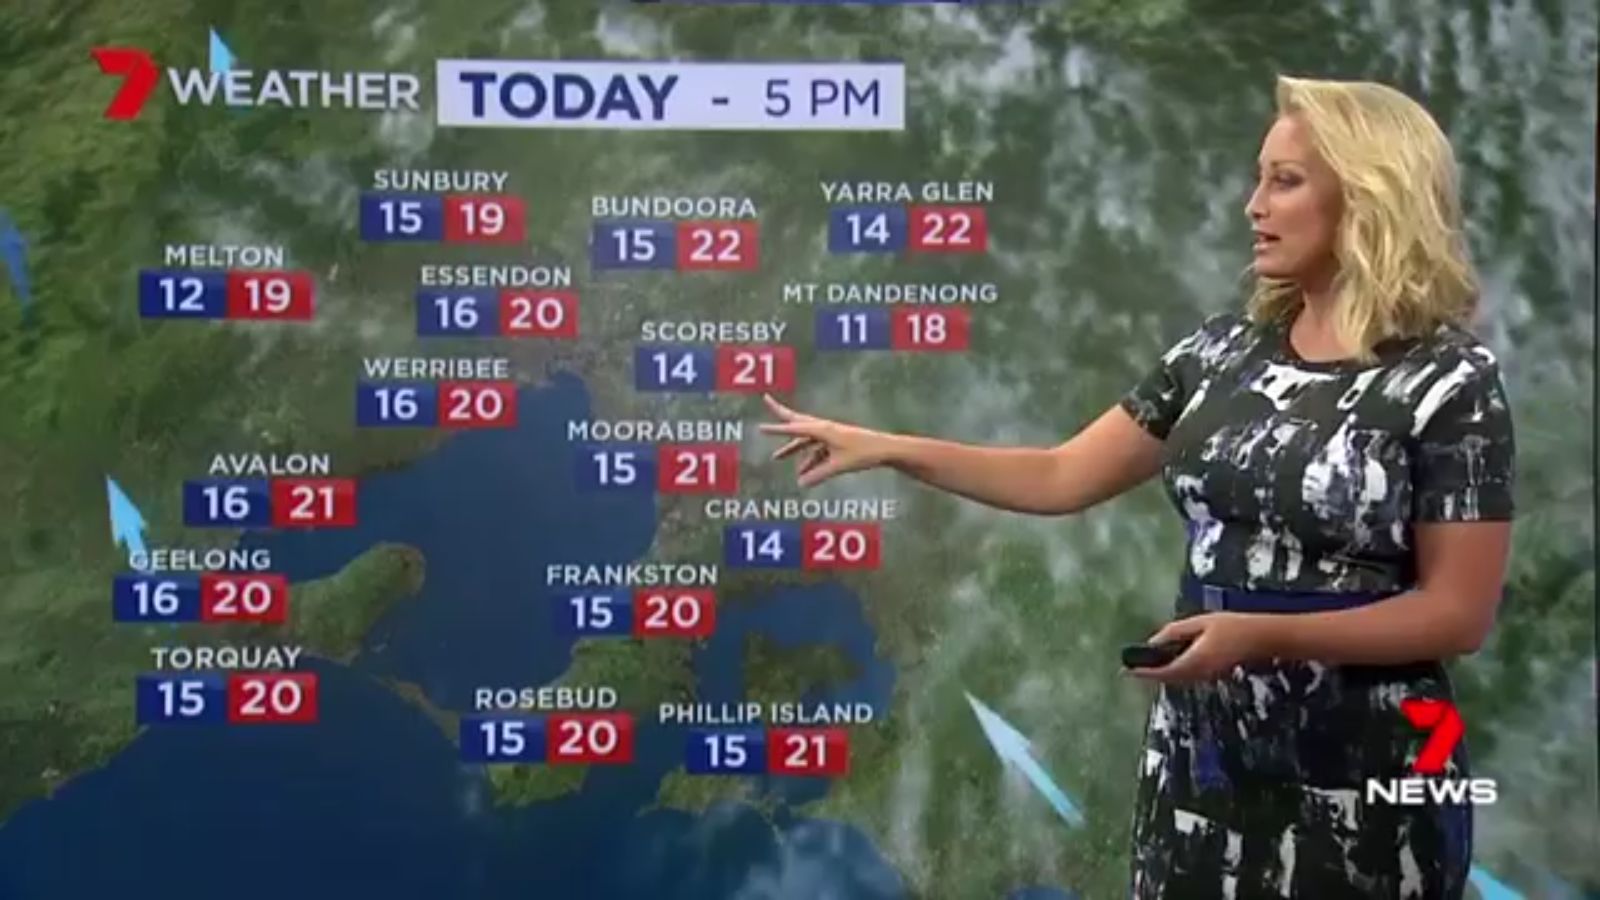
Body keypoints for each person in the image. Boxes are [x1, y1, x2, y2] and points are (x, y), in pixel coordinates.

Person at [759, 74, 1515, 899]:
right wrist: (889, 448)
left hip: (1364, 788)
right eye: (1259, 178)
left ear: (1368, 195)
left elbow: (1457, 614)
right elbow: (1061, 474)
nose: (1254, 205)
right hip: (1199, 776)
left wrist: (1263, 635)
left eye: (1285, 181)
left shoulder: (1451, 383)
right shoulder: (1219, 355)